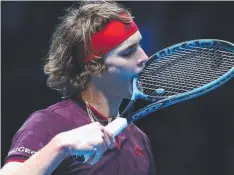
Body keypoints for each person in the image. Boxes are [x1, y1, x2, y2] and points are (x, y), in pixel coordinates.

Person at [1, 1, 156, 175]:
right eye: (128, 52)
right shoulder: (49, 123)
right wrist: (61, 145)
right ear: (94, 67)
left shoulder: (139, 139)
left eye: (140, 45)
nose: (144, 57)